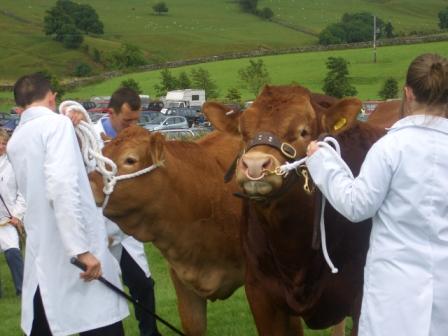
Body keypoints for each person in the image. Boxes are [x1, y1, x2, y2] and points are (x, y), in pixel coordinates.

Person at [306, 53, 448, 336]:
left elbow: (357, 205)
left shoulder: (390, 148)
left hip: (395, 287)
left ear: (407, 93)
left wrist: (323, 161)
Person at [8, 73, 129, 336]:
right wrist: (80, 249)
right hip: (73, 246)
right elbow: (61, 186)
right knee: (99, 320)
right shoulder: (56, 125)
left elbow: (67, 172)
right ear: (51, 97)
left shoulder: (17, 138)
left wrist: (74, 132)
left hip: (43, 246)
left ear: (20, 105)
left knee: (48, 317)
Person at [94, 87, 160, 336]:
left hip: (126, 226)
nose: (133, 125)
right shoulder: (89, 136)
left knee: (143, 284)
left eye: (136, 120)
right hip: (98, 227)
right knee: (104, 289)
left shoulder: (138, 139)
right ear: (110, 113)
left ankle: (150, 333)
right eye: (127, 121)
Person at [0, 127, 25, 297]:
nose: (1, 146)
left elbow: (22, 193)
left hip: (8, 220)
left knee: (13, 252)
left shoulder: (13, 164)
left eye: (3, 143)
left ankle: (22, 289)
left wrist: (17, 215)